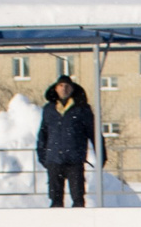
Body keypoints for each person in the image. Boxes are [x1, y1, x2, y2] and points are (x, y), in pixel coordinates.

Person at [35, 75, 96, 208]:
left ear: (72, 89)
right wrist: (43, 156)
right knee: (55, 199)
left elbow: (94, 132)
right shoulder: (49, 109)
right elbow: (43, 134)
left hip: (74, 160)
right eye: (61, 86)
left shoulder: (82, 109)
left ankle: (79, 225)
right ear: (56, 89)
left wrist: (101, 154)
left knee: (78, 198)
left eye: (67, 86)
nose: (64, 89)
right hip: (54, 160)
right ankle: (57, 226)